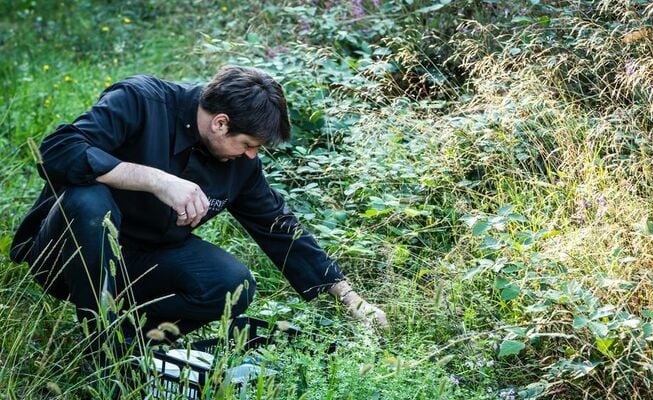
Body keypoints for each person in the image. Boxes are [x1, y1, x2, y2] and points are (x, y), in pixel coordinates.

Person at [9, 65, 387, 351]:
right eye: (249, 143)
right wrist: (157, 180)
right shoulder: (143, 100)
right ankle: (102, 338)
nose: (252, 155)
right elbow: (57, 151)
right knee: (89, 199)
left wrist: (351, 299)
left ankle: (125, 348)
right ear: (221, 123)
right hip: (66, 254)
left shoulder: (241, 165)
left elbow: (279, 228)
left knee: (232, 284)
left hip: (143, 262)